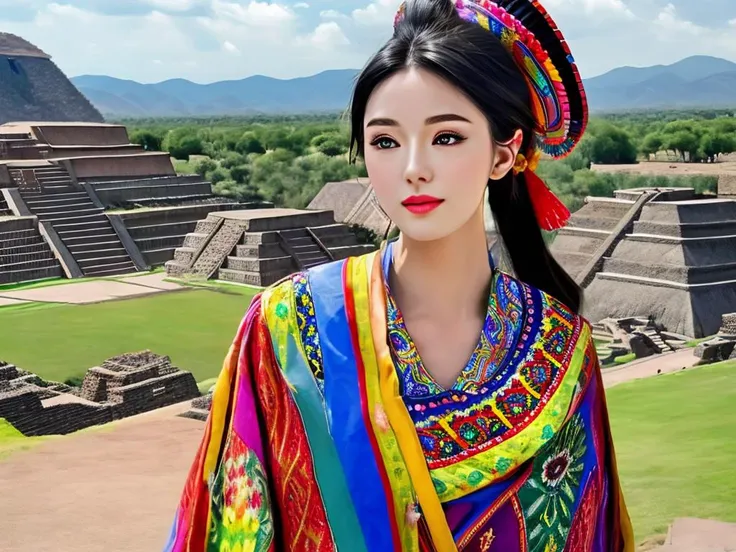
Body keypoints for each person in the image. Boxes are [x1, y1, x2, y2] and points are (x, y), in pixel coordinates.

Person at [164, 0, 634, 550]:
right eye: (386, 141)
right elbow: (232, 528)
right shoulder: (287, 327)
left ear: (505, 155)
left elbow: (582, 533)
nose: (413, 167)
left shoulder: (562, 350)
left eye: (447, 137)